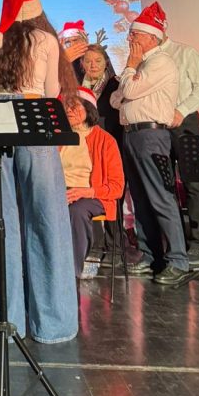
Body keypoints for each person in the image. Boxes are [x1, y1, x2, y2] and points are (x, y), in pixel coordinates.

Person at [0, 0, 79, 344]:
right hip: (34, 115)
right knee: (46, 216)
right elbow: (51, 92)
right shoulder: (46, 39)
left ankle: (3, 320)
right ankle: (53, 322)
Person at [110, 2, 187, 284]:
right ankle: (150, 255)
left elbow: (128, 90)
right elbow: (115, 100)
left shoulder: (160, 62)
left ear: (152, 38)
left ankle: (178, 260)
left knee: (160, 197)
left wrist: (130, 71)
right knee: (140, 198)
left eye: (135, 34)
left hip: (151, 136)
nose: (130, 38)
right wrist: (130, 80)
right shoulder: (141, 65)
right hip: (132, 134)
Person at [160, 29, 199, 268]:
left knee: (193, 184)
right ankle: (176, 244)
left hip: (185, 121)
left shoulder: (185, 52)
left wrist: (181, 111)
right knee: (164, 187)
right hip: (158, 125)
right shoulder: (147, 58)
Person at [60, 88, 125, 278]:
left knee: (77, 211)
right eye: (66, 106)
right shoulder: (58, 137)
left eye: (75, 106)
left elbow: (117, 187)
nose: (69, 110)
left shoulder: (105, 141)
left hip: (92, 195)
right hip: (61, 191)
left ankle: (71, 272)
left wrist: (86, 192)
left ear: (89, 109)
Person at [80, 43, 121, 141]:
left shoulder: (117, 85)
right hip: (84, 139)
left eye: (98, 61)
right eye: (88, 61)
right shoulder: (77, 88)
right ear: (82, 64)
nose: (93, 65)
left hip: (110, 139)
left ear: (106, 63)